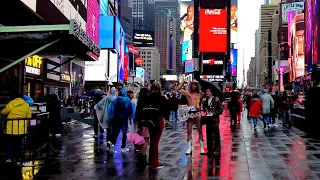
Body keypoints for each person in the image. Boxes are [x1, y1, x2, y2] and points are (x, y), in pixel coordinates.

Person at [176, 79, 205, 155]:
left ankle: (202, 148)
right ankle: (189, 147)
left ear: (197, 86)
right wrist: (182, 82)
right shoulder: (188, 94)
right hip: (190, 112)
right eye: (192, 85)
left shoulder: (200, 94)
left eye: (195, 85)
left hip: (198, 112)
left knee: (200, 130)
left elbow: (208, 94)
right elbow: (178, 89)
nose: (193, 86)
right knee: (189, 130)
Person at [1, 91, 31, 163]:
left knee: (10, 143)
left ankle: (9, 158)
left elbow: (3, 112)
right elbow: (29, 116)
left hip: (11, 128)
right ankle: (19, 158)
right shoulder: (26, 105)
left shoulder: (11, 104)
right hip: (21, 128)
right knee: (19, 143)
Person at [145, 82, 168, 169]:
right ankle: (155, 163)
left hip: (150, 120)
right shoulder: (161, 98)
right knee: (155, 142)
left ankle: (151, 161)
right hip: (158, 120)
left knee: (152, 141)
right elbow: (165, 111)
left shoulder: (148, 97)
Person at [108, 87, 135, 153]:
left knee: (115, 132)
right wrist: (132, 117)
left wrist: (111, 116)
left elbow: (110, 108)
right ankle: (123, 146)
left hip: (116, 118)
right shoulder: (128, 100)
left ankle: (112, 144)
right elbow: (132, 110)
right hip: (124, 119)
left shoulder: (116, 100)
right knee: (124, 132)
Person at [201, 88, 223, 156]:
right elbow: (204, 110)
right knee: (209, 135)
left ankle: (217, 150)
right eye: (206, 91)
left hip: (215, 120)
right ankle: (210, 150)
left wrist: (214, 113)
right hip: (208, 120)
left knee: (216, 135)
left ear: (211, 92)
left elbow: (220, 110)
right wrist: (203, 103)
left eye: (208, 91)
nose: (206, 93)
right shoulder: (205, 100)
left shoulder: (216, 99)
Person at [135, 88, 150, 167]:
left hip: (140, 123)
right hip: (146, 123)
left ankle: (140, 156)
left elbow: (137, 114)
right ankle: (143, 157)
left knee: (141, 140)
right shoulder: (147, 101)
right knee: (145, 140)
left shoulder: (139, 102)